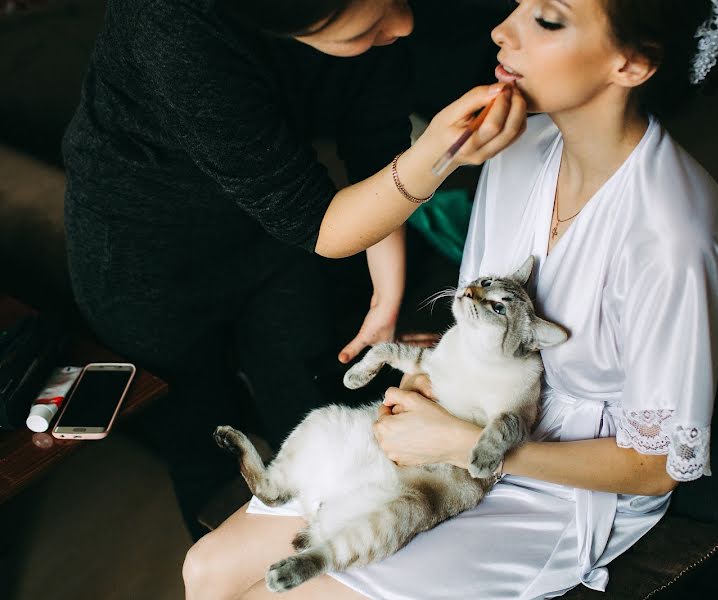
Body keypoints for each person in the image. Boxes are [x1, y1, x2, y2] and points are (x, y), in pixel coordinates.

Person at [182, 0, 718, 597]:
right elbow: (476, 323)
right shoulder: (519, 147)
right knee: (207, 569)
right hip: (458, 420)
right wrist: (431, 387)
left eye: (547, 21)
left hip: (562, 486)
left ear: (632, 65)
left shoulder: (674, 240)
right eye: (518, 5)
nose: (502, 30)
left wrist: (468, 445)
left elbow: (655, 468)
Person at [62, 0, 526, 541]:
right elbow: (325, 226)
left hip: (273, 237)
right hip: (142, 254)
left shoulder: (377, 23)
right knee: (203, 445)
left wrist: (385, 301)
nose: (404, 25)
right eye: (368, 28)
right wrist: (437, 157)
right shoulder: (174, 27)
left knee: (318, 410)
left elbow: (375, 148)